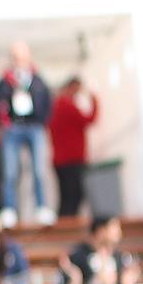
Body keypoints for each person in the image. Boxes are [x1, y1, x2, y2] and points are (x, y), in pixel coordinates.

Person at [0, 42, 54, 227]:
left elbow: (47, 101)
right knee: (9, 170)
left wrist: (41, 120)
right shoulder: (5, 80)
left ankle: (42, 207)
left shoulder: (37, 78)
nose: (20, 61)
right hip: (13, 127)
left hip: (34, 126)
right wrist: (4, 122)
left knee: (39, 170)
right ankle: (9, 209)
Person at [48, 77, 97, 219]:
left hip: (60, 160)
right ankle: (67, 226)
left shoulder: (55, 107)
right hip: (72, 159)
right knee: (74, 196)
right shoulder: (66, 105)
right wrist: (94, 99)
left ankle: (64, 227)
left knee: (66, 197)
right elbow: (89, 119)